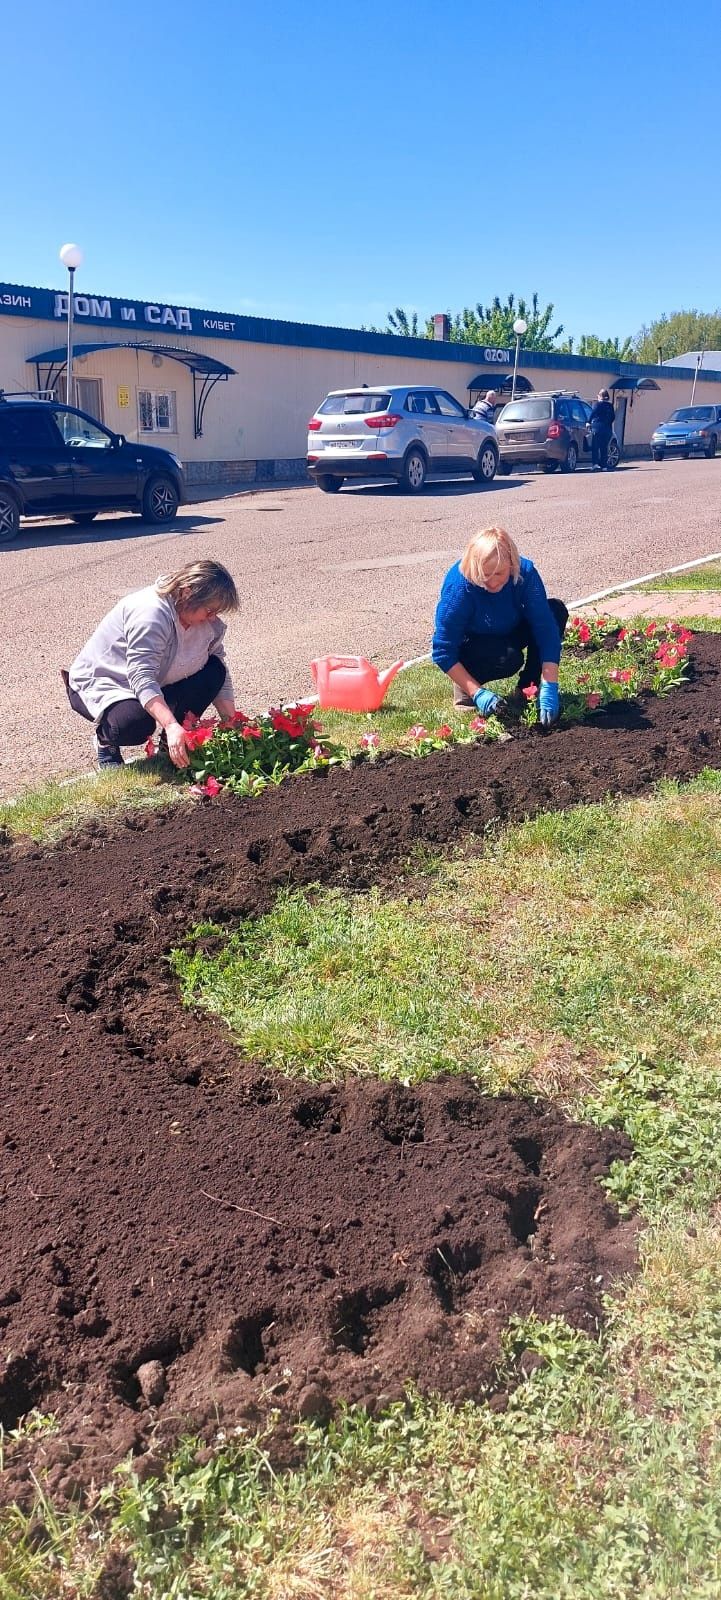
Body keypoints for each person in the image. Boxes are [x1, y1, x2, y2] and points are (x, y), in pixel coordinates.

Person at [65, 559, 239, 769]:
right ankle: (106, 741)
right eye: (209, 610)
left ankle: (171, 744)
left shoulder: (202, 620)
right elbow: (141, 675)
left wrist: (232, 721)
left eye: (216, 612)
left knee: (213, 671)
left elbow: (217, 666)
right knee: (135, 724)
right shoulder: (151, 613)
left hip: (157, 677)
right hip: (110, 682)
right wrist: (171, 724)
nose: (212, 618)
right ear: (187, 594)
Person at [432, 527, 567, 727]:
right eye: (485, 574)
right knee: (509, 659)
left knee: (555, 611)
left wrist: (550, 683)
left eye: (499, 573)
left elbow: (545, 629)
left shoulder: (525, 574)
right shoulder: (459, 587)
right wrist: (477, 693)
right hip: (473, 643)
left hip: (507, 628)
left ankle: (528, 690)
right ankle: (467, 689)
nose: (493, 582)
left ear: (512, 565)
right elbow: (443, 650)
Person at [589, 388, 616, 471]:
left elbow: (592, 414)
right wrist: (607, 423)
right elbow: (613, 417)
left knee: (595, 447)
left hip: (597, 428)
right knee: (604, 447)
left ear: (600, 396)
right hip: (607, 429)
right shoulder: (610, 406)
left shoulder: (597, 405)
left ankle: (595, 464)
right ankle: (604, 466)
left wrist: (588, 422)